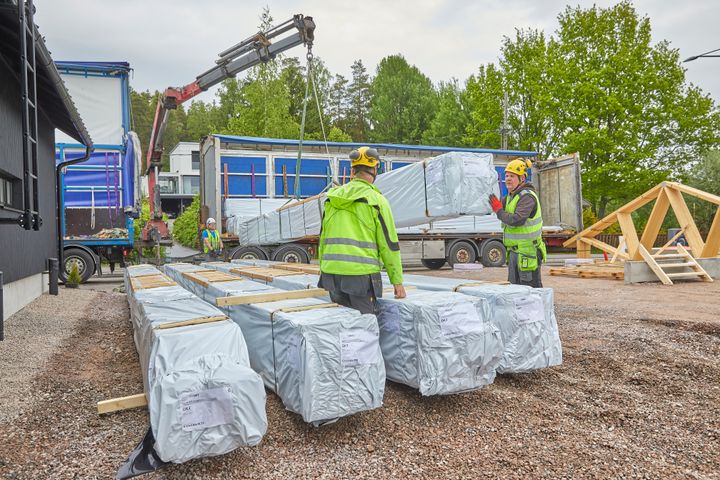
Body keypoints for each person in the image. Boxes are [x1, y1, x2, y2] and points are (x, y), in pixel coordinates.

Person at [317, 146, 406, 314]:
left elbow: (323, 238)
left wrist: (325, 268)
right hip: (360, 278)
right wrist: (397, 282)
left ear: (352, 171)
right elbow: (389, 244)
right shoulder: (376, 200)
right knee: (365, 330)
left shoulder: (331, 199)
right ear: (374, 170)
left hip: (331, 275)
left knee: (345, 331)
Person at [488, 158, 547, 287]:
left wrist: (498, 210)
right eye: (507, 175)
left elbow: (516, 220)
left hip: (528, 252)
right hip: (515, 252)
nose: (508, 178)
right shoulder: (510, 197)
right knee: (514, 290)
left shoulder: (527, 197)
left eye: (512, 176)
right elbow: (496, 206)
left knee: (530, 290)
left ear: (522, 179)